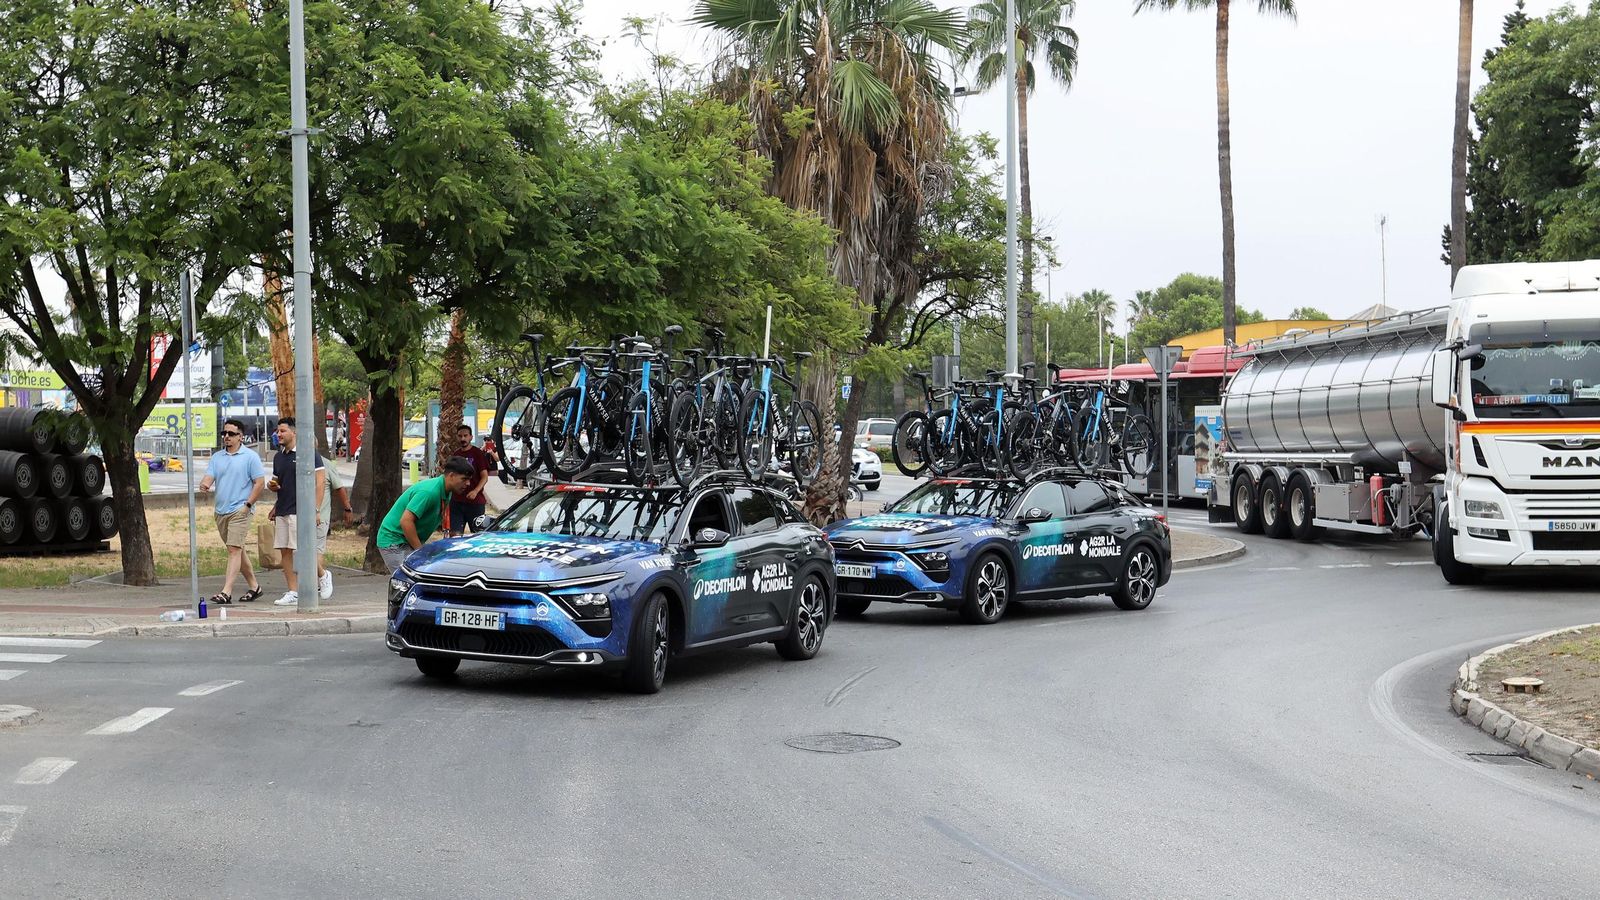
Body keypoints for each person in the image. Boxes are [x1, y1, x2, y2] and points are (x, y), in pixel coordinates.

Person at [198, 419, 265, 605]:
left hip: (240, 510)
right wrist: (204, 484)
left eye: (231, 434)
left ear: (241, 437)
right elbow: (209, 477)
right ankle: (255, 586)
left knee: (234, 550)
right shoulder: (217, 457)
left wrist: (248, 505)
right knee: (236, 549)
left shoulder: (250, 457)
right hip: (221, 511)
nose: (226, 436)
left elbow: (260, 483)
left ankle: (226, 592)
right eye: (224, 433)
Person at [377, 457, 475, 572]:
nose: (468, 483)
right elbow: (406, 521)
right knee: (407, 579)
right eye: (464, 479)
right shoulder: (429, 492)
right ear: (451, 476)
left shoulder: (446, 490)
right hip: (393, 540)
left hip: (408, 539)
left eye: (469, 479)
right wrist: (420, 551)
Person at [266, 417, 326, 607]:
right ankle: (293, 591)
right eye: (277, 431)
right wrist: (274, 492)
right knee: (285, 551)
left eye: (282, 431)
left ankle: (323, 575)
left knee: (301, 550)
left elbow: (320, 482)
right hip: (283, 508)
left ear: (294, 432)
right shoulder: (278, 456)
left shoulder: (308, 453)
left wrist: (316, 510)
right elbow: (279, 482)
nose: (279, 434)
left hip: (300, 510)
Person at [312, 461, 353, 601]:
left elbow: (339, 487)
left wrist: (347, 508)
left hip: (319, 516)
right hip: (297, 515)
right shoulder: (296, 459)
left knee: (316, 550)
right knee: (300, 551)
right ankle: (314, 581)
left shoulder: (325, 464)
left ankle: (320, 579)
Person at [448, 425, 493, 537]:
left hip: (475, 503)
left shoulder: (478, 454)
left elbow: (484, 476)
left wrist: (475, 491)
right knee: (455, 536)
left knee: (477, 536)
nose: (463, 439)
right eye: (460, 436)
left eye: (465, 436)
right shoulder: (456, 455)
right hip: (456, 502)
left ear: (471, 437)